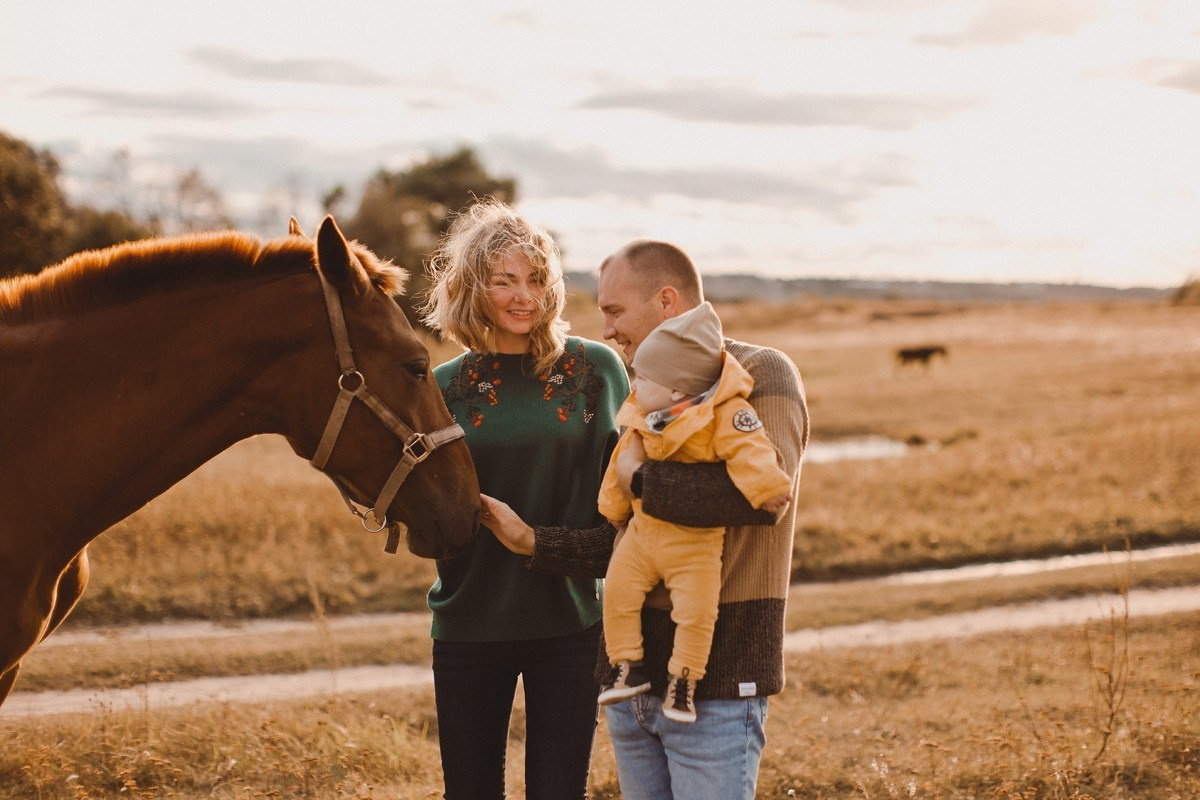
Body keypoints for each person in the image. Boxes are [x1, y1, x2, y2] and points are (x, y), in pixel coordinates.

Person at [483, 239, 809, 800]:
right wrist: (532, 541)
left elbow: (757, 498)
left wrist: (639, 479)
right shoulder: (645, 391)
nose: (605, 329)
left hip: (720, 685)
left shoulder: (760, 373)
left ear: (666, 301)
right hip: (630, 687)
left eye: (614, 311)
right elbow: (628, 541)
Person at [420, 200, 629, 800]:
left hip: (569, 621)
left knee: (559, 792)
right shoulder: (443, 388)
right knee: (470, 791)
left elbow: (622, 509)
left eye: (536, 279)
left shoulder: (597, 370)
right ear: (470, 287)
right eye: (503, 279)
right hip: (467, 618)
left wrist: (536, 540)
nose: (524, 296)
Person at [596, 301, 793, 724]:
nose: (634, 383)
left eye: (643, 378)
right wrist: (613, 509)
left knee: (698, 613)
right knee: (618, 592)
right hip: (643, 537)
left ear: (673, 388)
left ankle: (683, 682)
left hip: (695, 545)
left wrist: (770, 489)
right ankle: (624, 665)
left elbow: (750, 452)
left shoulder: (722, 413)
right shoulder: (643, 415)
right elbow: (619, 470)